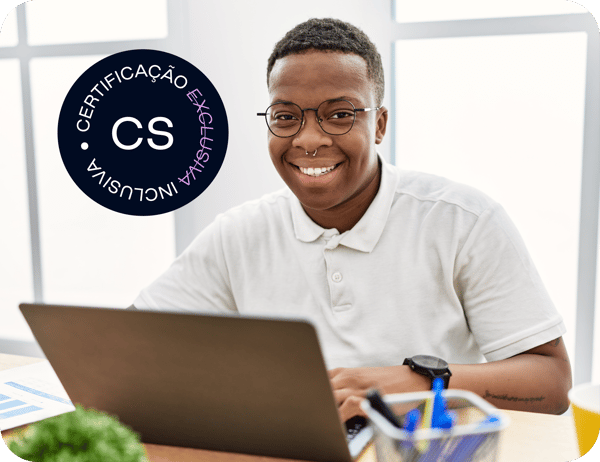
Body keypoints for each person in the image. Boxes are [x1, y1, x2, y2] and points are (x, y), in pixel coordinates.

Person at [131, 18, 572, 421]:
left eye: (339, 115)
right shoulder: (238, 234)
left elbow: (551, 383)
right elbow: (126, 346)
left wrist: (419, 383)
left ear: (379, 125)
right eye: (285, 117)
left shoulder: (463, 221)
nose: (307, 140)